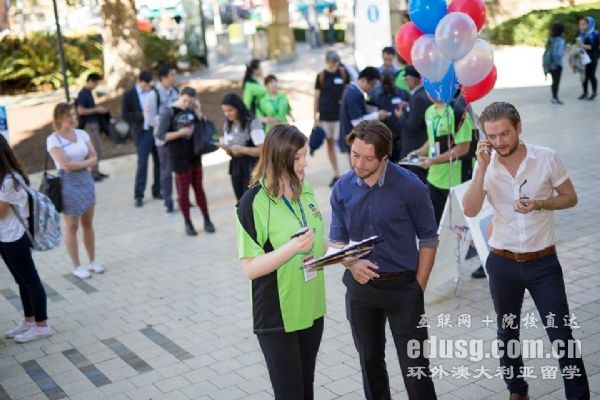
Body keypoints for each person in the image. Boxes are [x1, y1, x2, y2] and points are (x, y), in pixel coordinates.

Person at [462, 102, 590, 400]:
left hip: (543, 262)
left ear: (519, 128)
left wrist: (541, 203)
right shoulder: (486, 165)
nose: (499, 142)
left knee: (561, 334)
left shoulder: (545, 157)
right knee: (507, 331)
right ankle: (517, 391)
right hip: (502, 262)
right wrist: (481, 168)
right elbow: (469, 209)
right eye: (492, 136)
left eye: (505, 134)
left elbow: (570, 197)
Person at [330, 120, 438, 400]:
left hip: (404, 288)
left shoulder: (411, 186)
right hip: (361, 290)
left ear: (384, 156)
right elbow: (337, 242)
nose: (359, 164)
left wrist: (418, 287)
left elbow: (429, 238)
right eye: (355, 155)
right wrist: (351, 263)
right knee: (370, 363)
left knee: (416, 368)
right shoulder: (341, 189)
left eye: (368, 158)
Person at [236, 125, 326, 400]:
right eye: (298, 157)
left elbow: (316, 242)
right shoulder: (253, 202)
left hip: (311, 307)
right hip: (278, 316)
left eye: (305, 155)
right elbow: (250, 268)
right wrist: (291, 249)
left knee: (306, 390)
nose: (305, 163)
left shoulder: (305, 189)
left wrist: (346, 253)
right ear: (279, 158)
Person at [0, 135, 53, 343]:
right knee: (20, 280)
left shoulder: (10, 180)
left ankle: (42, 325)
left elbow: (1, 212)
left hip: (15, 237)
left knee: (30, 280)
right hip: (4, 237)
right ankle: (29, 320)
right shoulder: (3, 178)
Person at [47, 103, 103, 279]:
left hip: (86, 180)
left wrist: (79, 164)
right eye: (68, 115)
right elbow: (65, 165)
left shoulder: (82, 134)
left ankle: (92, 261)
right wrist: (85, 163)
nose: (72, 118)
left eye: (73, 114)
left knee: (88, 223)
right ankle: (77, 266)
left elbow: (94, 158)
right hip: (68, 183)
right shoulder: (53, 139)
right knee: (72, 226)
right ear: (58, 118)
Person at [155, 87, 216, 236]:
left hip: (194, 154)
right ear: (179, 96)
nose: (187, 104)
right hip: (178, 156)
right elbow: (160, 135)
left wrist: (198, 110)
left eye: (190, 102)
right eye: (185, 101)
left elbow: (202, 127)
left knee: (199, 188)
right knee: (183, 191)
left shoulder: (192, 110)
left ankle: (207, 219)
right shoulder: (168, 111)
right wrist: (179, 133)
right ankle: (188, 222)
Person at [409, 97, 474, 224]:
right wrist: (418, 152)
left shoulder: (458, 113)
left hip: (456, 180)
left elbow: (463, 148)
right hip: (434, 178)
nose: (429, 92)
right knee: (434, 222)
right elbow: (432, 139)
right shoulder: (429, 111)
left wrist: (433, 161)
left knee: (459, 225)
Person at [123, 70, 161, 207]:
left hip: (155, 130)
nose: (147, 87)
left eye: (149, 84)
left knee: (159, 161)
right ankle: (139, 195)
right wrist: (141, 115)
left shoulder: (154, 92)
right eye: (145, 84)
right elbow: (125, 115)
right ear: (139, 81)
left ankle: (157, 190)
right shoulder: (129, 94)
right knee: (143, 164)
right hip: (142, 133)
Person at [144, 63, 179, 214]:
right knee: (166, 172)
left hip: (178, 137)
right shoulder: (153, 95)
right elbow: (149, 119)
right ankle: (168, 202)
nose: (174, 78)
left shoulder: (175, 92)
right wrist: (165, 120)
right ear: (163, 77)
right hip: (163, 140)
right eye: (172, 75)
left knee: (180, 170)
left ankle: (183, 199)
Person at [313, 50, 350, 186]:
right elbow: (316, 97)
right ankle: (337, 173)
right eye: (331, 64)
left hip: (340, 116)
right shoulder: (321, 76)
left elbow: (348, 90)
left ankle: (352, 171)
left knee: (346, 143)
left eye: (336, 63)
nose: (334, 66)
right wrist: (315, 117)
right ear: (327, 63)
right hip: (326, 115)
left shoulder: (343, 73)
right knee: (330, 144)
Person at [220, 93, 265, 201]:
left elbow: (263, 150)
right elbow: (230, 152)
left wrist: (242, 150)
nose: (227, 114)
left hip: (252, 167)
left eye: (230, 110)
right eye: (225, 111)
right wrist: (227, 149)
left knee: (253, 201)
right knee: (240, 201)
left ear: (238, 107)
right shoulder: (228, 126)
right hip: (236, 167)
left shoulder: (252, 123)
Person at [394, 65, 432, 183]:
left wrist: (400, 116)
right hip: (419, 144)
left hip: (415, 146)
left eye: (407, 79)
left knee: (417, 181)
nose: (406, 82)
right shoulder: (421, 94)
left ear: (414, 80)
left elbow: (412, 126)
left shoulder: (418, 97)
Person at [338, 67, 388, 156]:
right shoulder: (353, 95)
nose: (372, 88)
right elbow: (357, 122)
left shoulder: (353, 91)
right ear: (363, 80)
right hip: (353, 140)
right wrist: (377, 115)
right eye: (372, 84)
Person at [76, 72, 109, 182]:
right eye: (96, 83)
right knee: (94, 149)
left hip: (95, 123)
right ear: (90, 81)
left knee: (98, 149)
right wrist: (96, 110)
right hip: (89, 125)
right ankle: (93, 173)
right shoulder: (82, 94)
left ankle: (96, 171)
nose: (96, 86)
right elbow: (80, 110)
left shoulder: (89, 93)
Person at [371, 72, 410, 162]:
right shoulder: (375, 95)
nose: (387, 86)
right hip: (383, 134)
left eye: (389, 83)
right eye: (384, 84)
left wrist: (406, 105)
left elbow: (412, 107)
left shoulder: (403, 93)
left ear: (394, 81)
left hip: (400, 135)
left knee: (401, 160)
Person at [577, 16, 599, 100]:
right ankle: (585, 92)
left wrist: (583, 46)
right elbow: (577, 43)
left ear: (589, 24)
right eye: (580, 24)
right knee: (583, 75)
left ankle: (594, 92)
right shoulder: (580, 33)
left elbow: (594, 47)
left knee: (591, 75)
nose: (582, 26)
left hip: (592, 57)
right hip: (582, 57)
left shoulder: (595, 34)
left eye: (584, 24)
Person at [547, 22, 566, 105]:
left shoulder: (551, 39)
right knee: (556, 82)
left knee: (553, 81)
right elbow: (558, 54)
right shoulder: (561, 40)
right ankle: (555, 98)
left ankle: (553, 97)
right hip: (557, 64)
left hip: (550, 63)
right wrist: (563, 52)